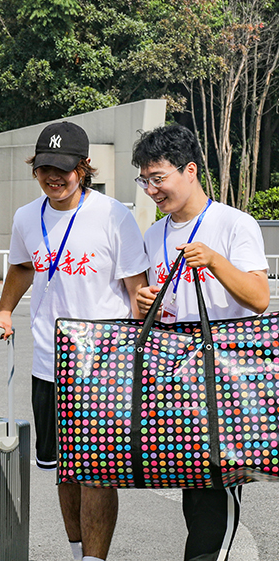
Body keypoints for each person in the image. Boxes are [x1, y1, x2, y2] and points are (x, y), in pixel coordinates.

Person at [0, 121, 148, 561]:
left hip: (105, 367)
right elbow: (23, 266)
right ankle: (78, 553)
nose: (53, 177)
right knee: (63, 470)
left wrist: (141, 359)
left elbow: (137, 288)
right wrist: (5, 310)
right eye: (45, 168)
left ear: (84, 167)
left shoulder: (114, 215)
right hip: (49, 363)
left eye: (63, 168)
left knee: (98, 472)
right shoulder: (27, 217)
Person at [132, 123, 269, 561]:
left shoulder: (234, 223)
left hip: (223, 379)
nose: (151, 190)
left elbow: (259, 298)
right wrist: (144, 302)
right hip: (175, 379)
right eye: (144, 180)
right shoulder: (154, 234)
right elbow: (159, 306)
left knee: (216, 491)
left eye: (158, 178)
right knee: (195, 491)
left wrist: (214, 260)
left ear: (189, 170)